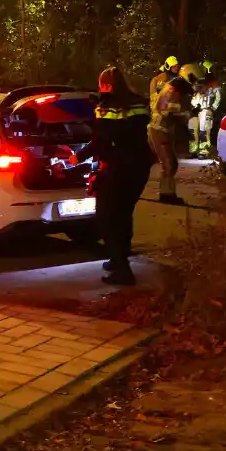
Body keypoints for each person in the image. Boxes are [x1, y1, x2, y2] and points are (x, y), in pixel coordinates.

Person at [72, 66, 152, 286]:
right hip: (140, 166)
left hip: (118, 167)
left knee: (106, 217)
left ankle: (123, 270)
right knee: (124, 212)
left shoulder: (106, 107)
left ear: (106, 85)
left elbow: (101, 140)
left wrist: (78, 157)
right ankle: (118, 259)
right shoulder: (138, 103)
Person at [150, 63, 204, 205]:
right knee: (169, 164)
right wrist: (187, 113)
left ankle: (166, 194)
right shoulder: (175, 88)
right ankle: (167, 196)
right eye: (195, 80)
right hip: (160, 129)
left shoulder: (175, 86)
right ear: (190, 76)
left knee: (165, 163)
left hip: (162, 129)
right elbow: (167, 109)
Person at [191, 60, 222, 157]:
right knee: (192, 130)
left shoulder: (214, 83)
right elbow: (193, 96)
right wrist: (193, 105)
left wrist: (213, 108)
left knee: (204, 130)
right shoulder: (197, 82)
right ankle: (193, 150)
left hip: (206, 109)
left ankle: (203, 151)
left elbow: (219, 97)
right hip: (196, 110)